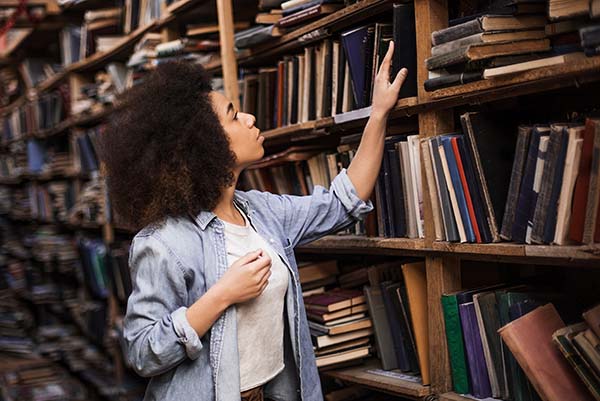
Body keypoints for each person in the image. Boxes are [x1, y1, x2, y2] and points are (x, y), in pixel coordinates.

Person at [99, 42, 407, 401]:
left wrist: (379, 113)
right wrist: (221, 296)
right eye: (233, 115)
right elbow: (142, 351)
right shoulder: (164, 243)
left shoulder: (262, 213)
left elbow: (344, 201)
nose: (249, 119)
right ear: (202, 144)